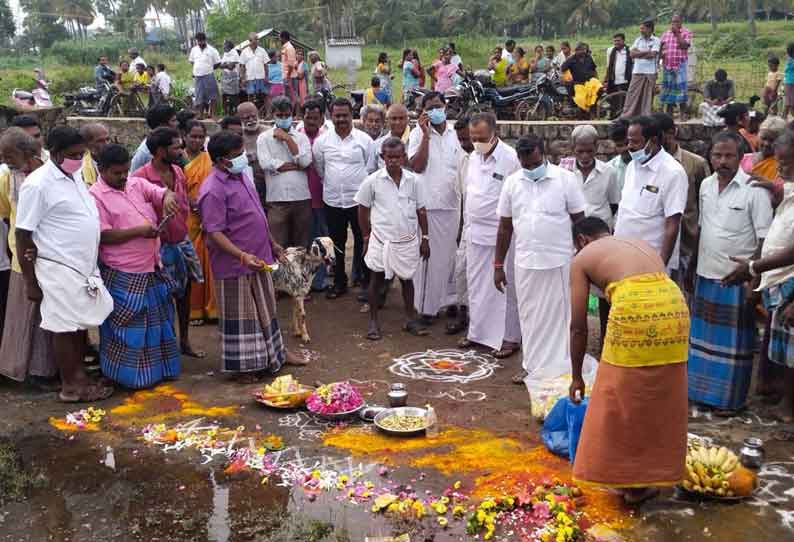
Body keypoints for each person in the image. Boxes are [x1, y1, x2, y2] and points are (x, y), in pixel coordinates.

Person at [569, 217, 689, 504]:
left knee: (619, 396)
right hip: (674, 305)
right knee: (658, 393)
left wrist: (576, 375)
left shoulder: (583, 257)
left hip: (635, 307)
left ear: (582, 240)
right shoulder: (636, 243)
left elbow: (578, 326)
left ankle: (628, 483)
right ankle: (652, 475)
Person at [16, 126, 115, 402]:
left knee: (79, 324)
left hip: (82, 267)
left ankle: (80, 376)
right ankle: (71, 385)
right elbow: (23, 234)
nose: (79, 158)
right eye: (73, 154)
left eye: (81, 153)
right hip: (56, 267)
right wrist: (30, 283)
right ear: (57, 154)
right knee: (63, 326)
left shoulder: (74, 176)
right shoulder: (37, 184)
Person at [200, 131, 306, 379]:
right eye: (237, 156)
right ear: (221, 160)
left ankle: (277, 353)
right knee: (242, 316)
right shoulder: (212, 190)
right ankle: (245, 367)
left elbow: (256, 213)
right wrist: (241, 256)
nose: (243, 158)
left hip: (260, 257)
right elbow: (214, 233)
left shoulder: (241, 177)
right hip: (235, 265)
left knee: (267, 309)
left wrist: (273, 244)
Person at [686, 132, 773, 413]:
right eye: (717, 155)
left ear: (740, 157)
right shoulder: (707, 186)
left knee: (734, 346)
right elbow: (701, 228)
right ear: (710, 156)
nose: (722, 161)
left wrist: (754, 279)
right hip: (705, 273)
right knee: (703, 341)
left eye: (729, 156)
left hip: (737, 278)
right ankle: (700, 394)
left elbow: (764, 239)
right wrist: (692, 266)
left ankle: (730, 402)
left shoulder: (754, 190)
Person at [496, 134, 586, 385]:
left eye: (535, 164)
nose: (531, 169)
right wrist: (497, 265)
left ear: (544, 155)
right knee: (529, 316)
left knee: (560, 318)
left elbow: (580, 221)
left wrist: (584, 258)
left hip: (559, 262)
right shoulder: (513, 183)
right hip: (525, 262)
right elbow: (504, 228)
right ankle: (531, 366)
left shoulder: (565, 180)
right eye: (526, 166)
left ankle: (559, 368)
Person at [89, 144, 181, 389]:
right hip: (123, 271)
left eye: (125, 172)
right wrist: (139, 231)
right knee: (128, 329)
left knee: (158, 323)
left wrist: (169, 198)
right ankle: (126, 378)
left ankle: (158, 372)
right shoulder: (95, 196)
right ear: (102, 170)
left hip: (152, 266)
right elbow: (103, 236)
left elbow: (160, 193)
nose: (122, 177)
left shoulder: (135, 184)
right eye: (116, 173)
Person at [723, 131, 794, 421]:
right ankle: (783, 400)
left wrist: (753, 268)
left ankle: (789, 409)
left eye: (787, 164)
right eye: (780, 163)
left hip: (790, 282)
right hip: (779, 280)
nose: (781, 170)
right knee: (782, 346)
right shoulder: (788, 191)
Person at [131, 127, 205, 359]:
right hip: (157, 247)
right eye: (175, 147)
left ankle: (184, 340)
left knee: (184, 293)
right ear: (161, 151)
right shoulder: (140, 178)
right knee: (162, 298)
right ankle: (168, 345)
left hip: (181, 240)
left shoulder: (178, 171)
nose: (181, 150)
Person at [458, 113, 522, 364]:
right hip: (475, 232)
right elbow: (469, 196)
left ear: (494, 133)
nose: (476, 143)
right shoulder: (472, 158)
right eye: (473, 138)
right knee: (476, 285)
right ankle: (478, 333)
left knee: (505, 287)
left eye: (481, 138)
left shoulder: (510, 158)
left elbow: (517, 197)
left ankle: (508, 338)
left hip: (502, 234)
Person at [356, 138, 430, 340]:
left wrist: (425, 238)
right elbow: (362, 210)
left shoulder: (414, 181)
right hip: (381, 240)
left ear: (404, 157)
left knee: (407, 280)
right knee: (376, 280)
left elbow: (421, 210)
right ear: (383, 157)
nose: (394, 161)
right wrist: (365, 236)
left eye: (398, 157)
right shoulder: (372, 181)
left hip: (407, 241)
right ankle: (373, 321)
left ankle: (409, 319)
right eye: (390, 157)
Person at [0, 128, 56, 387]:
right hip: (20, 258)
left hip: (51, 256)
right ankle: (21, 373)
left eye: (9, 154)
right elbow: (6, 213)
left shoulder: (49, 174)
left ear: (26, 152)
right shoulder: (6, 176)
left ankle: (45, 371)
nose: (6, 159)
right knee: (22, 317)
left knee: (48, 318)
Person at [313, 98, 376, 299]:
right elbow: (320, 168)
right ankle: (340, 282)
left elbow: (370, 168)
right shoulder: (322, 142)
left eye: (345, 115)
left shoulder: (364, 140)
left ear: (352, 116)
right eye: (337, 115)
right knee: (336, 243)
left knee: (363, 241)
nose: (341, 119)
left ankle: (365, 283)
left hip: (359, 202)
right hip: (332, 201)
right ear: (331, 117)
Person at [408, 92, 462, 322]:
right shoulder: (415, 135)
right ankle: (426, 308)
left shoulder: (457, 134)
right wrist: (425, 136)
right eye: (430, 108)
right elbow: (416, 166)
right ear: (423, 112)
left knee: (451, 258)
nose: (435, 111)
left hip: (452, 206)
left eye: (438, 106)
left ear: (445, 106)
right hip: (427, 207)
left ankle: (450, 301)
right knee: (427, 260)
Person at [613, 116, 688, 275]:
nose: (629, 147)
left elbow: (672, 224)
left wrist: (660, 266)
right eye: (628, 141)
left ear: (653, 141)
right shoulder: (633, 166)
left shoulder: (673, 172)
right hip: (623, 257)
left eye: (635, 142)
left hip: (651, 262)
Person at [652, 113, 710, 295]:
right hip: (658, 239)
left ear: (673, 132)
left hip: (686, 241)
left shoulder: (695, 163)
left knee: (684, 294)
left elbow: (705, 202)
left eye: (663, 136)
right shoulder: (648, 165)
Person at [257, 96, 312, 249]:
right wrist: (295, 165)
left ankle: (300, 274)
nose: (283, 118)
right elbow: (266, 163)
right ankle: (280, 274)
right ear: (273, 115)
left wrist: (288, 139)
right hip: (276, 199)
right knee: (278, 244)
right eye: (279, 115)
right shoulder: (264, 138)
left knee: (301, 244)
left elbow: (305, 162)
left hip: (301, 198)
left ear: (292, 114)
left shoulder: (301, 138)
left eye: (287, 115)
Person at [183, 120, 217, 323]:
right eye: (192, 136)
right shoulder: (178, 159)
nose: (196, 140)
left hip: (210, 216)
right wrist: (189, 201)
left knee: (210, 265)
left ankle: (212, 309)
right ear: (184, 136)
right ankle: (193, 310)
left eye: (200, 137)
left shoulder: (210, 159)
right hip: (187, 218)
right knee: (192, 264)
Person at [446, 116, 474, 336]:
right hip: (468, 225)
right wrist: (460, 227)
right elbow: (462, 197)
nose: (465, 144)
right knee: (461, 270)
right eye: (461, 140)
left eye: (468, 139)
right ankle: (463, 314)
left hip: (493, 229)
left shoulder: (504, 158)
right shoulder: (463, 159)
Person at [299, 98, 330, 292]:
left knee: (322, 240)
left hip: (322, 198)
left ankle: (320, 279)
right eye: (308, 117)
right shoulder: (296, 137)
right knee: (304, 241)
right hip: (301, 199)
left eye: (315, 118)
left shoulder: (326, 138)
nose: (311, 121)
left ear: (321, 119)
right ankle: (305, 279)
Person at [740, 115, 787, 205]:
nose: (766, 144)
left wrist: (772, 186)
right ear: (758, 136)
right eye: (764, 138)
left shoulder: (784, 166)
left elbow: (784, 195)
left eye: (772, 140)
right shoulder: (743, 159)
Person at [621, 19, 661, 118]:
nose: (641, 30)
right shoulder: (638, 40)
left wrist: (638, 53)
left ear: (649, 29)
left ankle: (645, 117)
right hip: (637, 71)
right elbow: (631, 54)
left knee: (647, 96)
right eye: (640, 28)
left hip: (650, 72)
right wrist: (646, 52)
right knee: (632, 94)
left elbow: (653, 54)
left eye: (643, 28)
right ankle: (627, 116)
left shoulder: (656, 40)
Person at [659, 14, 692, 119]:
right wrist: (661, 55)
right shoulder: (665, 34)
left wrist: (677, 33)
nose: (674, 24)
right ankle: (669, 115)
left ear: (681, 22)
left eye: (676, 21)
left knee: (680, 89)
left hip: (680, 65)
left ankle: (683, 114)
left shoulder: (686, 32)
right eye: (673, 22)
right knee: (668, 89)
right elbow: (660, 49)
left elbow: (685, 46)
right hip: (667, 66)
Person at [130, 104, 178, 172]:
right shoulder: (145, 152)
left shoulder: (173, 142)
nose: (177, 124)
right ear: (162, 125)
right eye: (173, 121)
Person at [237, 101, 267, 207]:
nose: (251, 120)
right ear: (239, 119)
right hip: (246, 186)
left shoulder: (268, 132)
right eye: (246, 118)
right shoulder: (237, 137)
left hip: (270, 183)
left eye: (253, 116)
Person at [560, 43, 601, 115]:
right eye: (580, 50)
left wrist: (597, 79)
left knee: (598, 91)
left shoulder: (589, 57)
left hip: (590, 82)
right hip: (578, 83)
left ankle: (593, 111)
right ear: (576, 51)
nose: (583, 51)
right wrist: (565, 78)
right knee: (580, 99)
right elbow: (563, 69)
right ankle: (583, 112)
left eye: (584, 49)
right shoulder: (571, 59)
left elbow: (594, 69)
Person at [189, 32, 221, 118]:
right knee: (199, 95)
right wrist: (198, 69)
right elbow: (192, 61)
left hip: (209, 75)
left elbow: (218, 63)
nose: (200, 43)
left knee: (213, 95)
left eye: (201, 41)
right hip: (198, 76)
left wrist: (209, 68)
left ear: (205, 40)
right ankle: (201, 114)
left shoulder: (212, 50)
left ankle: (213, 113)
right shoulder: (194, 50)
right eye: (198, 41)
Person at [372, 104, 410, 170]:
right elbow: (371, 170)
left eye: (401, 118)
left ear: (407, 120)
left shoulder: (415, 142)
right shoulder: (377, 144)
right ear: (387, 121)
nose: (398, 122)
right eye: (394, 118)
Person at [604, 33, 632, 118]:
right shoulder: (610, 50)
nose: (616, 43)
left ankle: (624, 117)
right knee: (613, 100)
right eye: (615, 41)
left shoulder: (629, 50)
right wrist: (606, 79)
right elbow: (608, 66)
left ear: (623, 41)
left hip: (625, 80)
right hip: (613, 80)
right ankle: (614, 117)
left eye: (618, 41)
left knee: (624, 100)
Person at [239, 32, 269, 108]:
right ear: (250, 40)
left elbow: (266, 65)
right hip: (250, 78)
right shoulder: (244, 52)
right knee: (250, 96)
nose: (257, 41)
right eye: (255, 39)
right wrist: (243, 78)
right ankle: (251, 114)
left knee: (264, 95)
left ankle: (267, 114)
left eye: (257, 39)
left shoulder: (262, 50)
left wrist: (266, 76)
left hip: (261, 77)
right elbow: (242, 66)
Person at [74, 123, 110, 187]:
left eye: (107, 139)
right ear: (86, 144)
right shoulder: (78, 168)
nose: (106, 144)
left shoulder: (116, 159)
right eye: (100, 141)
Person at [607, 119, 631, 193]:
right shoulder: (609, 169)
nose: (625, 148)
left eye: (627, 143)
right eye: (619, 145)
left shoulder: (646, 166)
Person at [220, 41, 241, 116]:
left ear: (229, 46)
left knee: (234, 97)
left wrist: (225, 65)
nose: (223, 47)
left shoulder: (234, 53)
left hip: (233, 77)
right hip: (224, 77)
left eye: (224, 46)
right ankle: (226, 113)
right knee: (224, 96)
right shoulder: (225, 54)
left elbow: (231, 67)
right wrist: (227, 65)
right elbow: (220, 65)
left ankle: (237, 112)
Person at [280, 31, 298, 103]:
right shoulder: (285, 47)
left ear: (283, 38)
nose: (279, 40)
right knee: (287, 97)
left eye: (280, 38)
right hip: (286, 76)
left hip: (290, 76)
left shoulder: (289, 48)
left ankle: (297, 113)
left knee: (292, 96)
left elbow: (291, 65)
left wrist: (287, 77)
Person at [784, 43, 794, 119]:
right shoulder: (790, 61)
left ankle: (784, 117)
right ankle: (784, 117)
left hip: (789, 83)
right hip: (790, 83)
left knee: (789, 102)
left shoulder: (789, 60)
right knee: (790, 102)